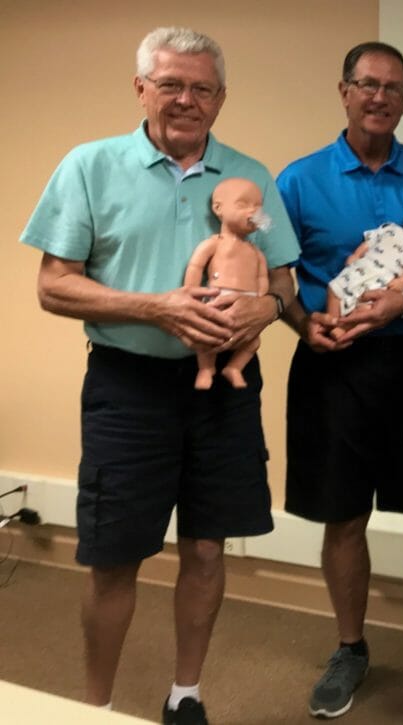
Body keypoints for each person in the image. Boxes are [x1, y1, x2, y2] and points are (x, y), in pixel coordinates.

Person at [21, 26, 300, 725]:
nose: (186, 99)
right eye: (170, 84)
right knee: (114, 556)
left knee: (207, 545)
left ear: (221, 98)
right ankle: (97, 706)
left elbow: (285, 281)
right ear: (141, 88)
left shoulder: (251, 175)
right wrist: (155, 307)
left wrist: (263, 310)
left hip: (224, 396)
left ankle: (186, 692)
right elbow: (54, 286)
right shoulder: (91, 166)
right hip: (128, 387)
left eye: (201, 88)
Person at [275, 41, 403, 720]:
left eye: (393, 88)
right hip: (334, 366)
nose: (379, 96)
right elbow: (276, 277)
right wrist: (304, 324)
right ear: (344, 90)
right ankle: (351, 645)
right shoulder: (299, 179)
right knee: (344, 513)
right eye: (367, 84)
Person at [185, 177, 273, 389]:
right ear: (218, 208)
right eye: (243, 204)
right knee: (208, 337)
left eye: (258, 206)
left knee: (252, 342)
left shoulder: (256, 252)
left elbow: (262, 277)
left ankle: (234, 368)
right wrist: (191, 290)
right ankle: (207, 368)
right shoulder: (214, 243)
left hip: (247, 304)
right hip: (218, 298)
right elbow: (195, 266)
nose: (253, 211)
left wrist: (260, 301)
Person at [326, 193, 403, 319]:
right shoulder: (389, 227)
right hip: (362, 266)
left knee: (365, 307)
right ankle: (332, 322)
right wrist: (356, 254)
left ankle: (342, 328)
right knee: (335, 288)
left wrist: (402, 282)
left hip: (382, 279)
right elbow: (369, 243)